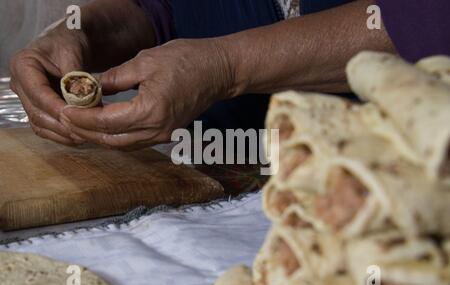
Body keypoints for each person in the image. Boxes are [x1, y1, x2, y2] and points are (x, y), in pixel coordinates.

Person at [8, 0, 447, 150]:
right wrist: (76, 30)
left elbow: (430, 17)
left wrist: (226, 66)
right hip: (208, 186)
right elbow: (163, 9)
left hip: (390, 196)